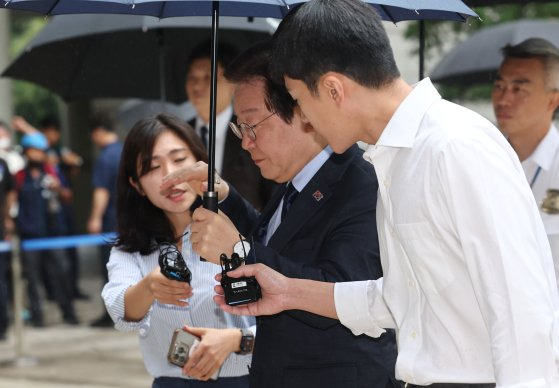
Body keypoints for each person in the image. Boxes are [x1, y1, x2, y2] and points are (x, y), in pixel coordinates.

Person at [212, 1, 559, 387]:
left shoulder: (454, 147)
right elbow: (398, 299)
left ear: (333, 88)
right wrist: (290, 292)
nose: (304, 119)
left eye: (299, 101)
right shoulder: (393, 158)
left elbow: (521, 315)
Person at [162, 40, 399, 388]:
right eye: (239, 128)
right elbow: (276, 242)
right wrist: (225, 197)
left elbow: (345, 294)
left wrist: (239, 250)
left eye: (253, 125)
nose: (246, 142)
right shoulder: (294, 182)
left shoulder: (360, 183)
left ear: (302, 109)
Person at [101, 113, 254, 387]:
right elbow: (118, 306)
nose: (170, 175)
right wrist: (149, 287)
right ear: (136, 184)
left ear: (200, 163)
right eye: (151, 166)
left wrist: (237, 341)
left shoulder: (236, 228)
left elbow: (285, 312)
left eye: (180, 160)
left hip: (248, 379)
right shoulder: (131, 249)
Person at [491, 38, 559, 285]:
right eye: (499, 86)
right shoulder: (485, 158)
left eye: (519, 89)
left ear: (553, 100)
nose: (504, 99)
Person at [184, 40, 275, 210]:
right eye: (192, 77)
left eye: (208, 77)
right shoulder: (178, 134)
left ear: (232, 82)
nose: (197, 85)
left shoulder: (252, 133)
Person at [15, 132, 78, 326]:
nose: (37, 155)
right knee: (32, 278)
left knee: (61, 272)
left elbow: (68, 197)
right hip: (30, 235)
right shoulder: (18, 176)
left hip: (53, 233)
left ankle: (68, 312)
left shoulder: (52, 172)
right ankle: (38, 316)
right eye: (33, 150)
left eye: (40, 151)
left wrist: (58, 188)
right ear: (26, 152)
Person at [87, 114, 122, 327]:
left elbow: (101, 191)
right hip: (129, 220)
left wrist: (95, 218)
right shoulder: (126, 150)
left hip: (110, 222)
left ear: (99, 131)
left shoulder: (105, 158)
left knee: (109, 268)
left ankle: (110, 314)